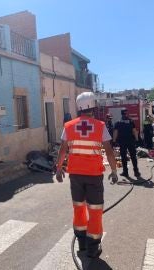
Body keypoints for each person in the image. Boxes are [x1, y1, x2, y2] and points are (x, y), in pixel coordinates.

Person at [55, 92, 118, 258]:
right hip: (94, 175)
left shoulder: (69, 126)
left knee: (79, 207)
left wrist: (59, 168)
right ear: (93, 106)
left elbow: (63, 149)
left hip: (75, 175)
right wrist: (114, 171)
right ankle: (93, 247)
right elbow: (109, 151)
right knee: (95, 210)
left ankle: (82, 244)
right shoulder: (100, 125)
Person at [113, 109, 141, 178]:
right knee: (133, 156)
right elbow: (134, 131)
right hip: (130, 141)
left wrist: (114, 141)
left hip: (122, 142)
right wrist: (137, 140)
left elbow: (115, 132)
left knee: (124, 157)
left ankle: (125, 172)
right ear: (126, 113)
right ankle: (136, 172)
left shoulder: (118, 122)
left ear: (121, 114)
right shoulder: (131, 122)